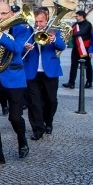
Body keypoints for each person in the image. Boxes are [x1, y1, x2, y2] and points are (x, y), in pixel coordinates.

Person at [0, 2, 31, 165]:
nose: (1, 17)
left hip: (13, 79)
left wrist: (0, 35)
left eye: (4, 13)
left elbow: (17, 48)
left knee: (15, 118)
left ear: (11, 14)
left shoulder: (22, 29)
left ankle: (22, 142)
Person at [23, 8, 65, 139]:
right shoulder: (27, 31)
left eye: (41, 21)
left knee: (51, 100)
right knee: (34, 102)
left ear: (46, 21)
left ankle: (49, 121)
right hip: (31, 70)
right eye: (36, 21)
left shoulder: (54, 31)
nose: (38, 24)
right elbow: (19, 48)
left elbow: (62, 46)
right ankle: (37, 129)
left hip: (50, 70)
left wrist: (54, 40)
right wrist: (25, 46)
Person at [63, 10, 93, 89]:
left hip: (84, 47)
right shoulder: (75, 24)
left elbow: (82, 32)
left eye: (77, 16)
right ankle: (71, 82)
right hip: (76, 47)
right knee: (73, 65)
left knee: (87, 65)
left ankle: (89, 81)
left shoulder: (88, 24)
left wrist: (70, 33)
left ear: (81, 16)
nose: (76, 17)